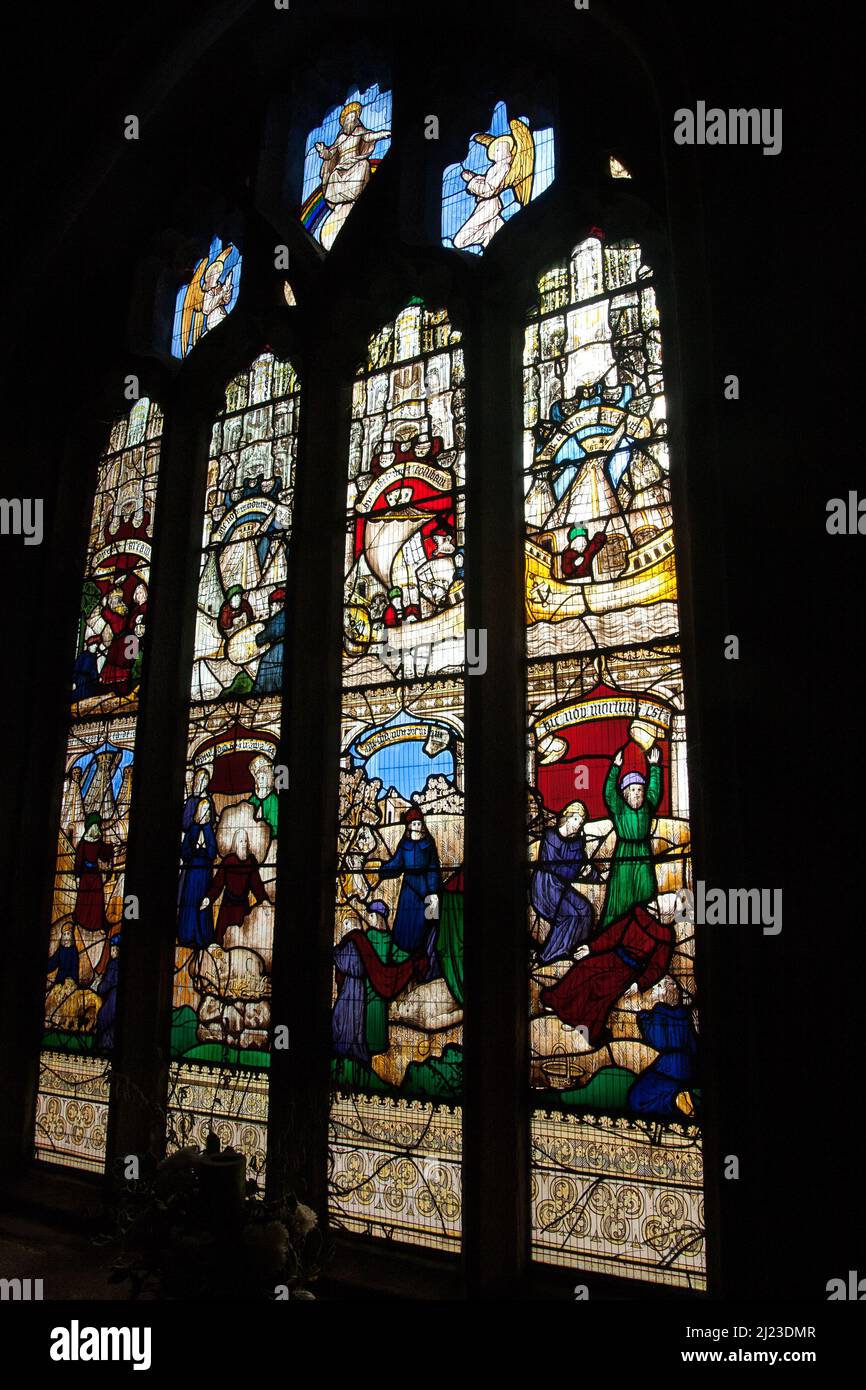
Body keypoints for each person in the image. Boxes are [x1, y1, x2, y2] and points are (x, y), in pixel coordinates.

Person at [540, 903, 674, 1046]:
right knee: (585, 967)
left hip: (628, 970)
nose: (653, 905)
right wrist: (591, 948)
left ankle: (580, 1023)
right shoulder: (638, 914)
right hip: (612, 956)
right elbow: (612, 934)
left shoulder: (665, 937)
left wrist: (640, 983)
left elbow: (657, 966)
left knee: (602, 985)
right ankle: (557, 1002)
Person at [599, 743, 663, 928]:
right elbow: (609, 793)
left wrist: (654, 766)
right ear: (626, 793)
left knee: (646, 891)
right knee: (622, 896)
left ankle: (644, 932)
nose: (637, 793)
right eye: (633, 789)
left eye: (640, 790)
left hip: (643, 853)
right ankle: (615, 932)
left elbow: (655, 790)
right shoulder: (619, 808)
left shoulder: (648, 806)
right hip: (624, 854)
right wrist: (615, 768)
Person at [315, 102, 390, 250]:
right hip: (340, 168)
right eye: (348, 119)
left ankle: (355, 198)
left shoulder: (360, 132)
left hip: (355, 163)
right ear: (344, 122)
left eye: (354, 118)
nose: (351, 122)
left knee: (364, 165)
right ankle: (340, 203)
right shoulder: (341, 138)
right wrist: (322, 151)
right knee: (334, 174)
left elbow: (370, 136)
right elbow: (330, 154)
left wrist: (383, 133)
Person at [376, 808, 441, 976]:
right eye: (414, 823)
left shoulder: (429, 843)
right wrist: (382, 870)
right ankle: (400, 961)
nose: (417, 826)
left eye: (419, 823)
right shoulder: (404, 845)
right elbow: (396, 864)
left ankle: (424, 961)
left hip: (425, 889)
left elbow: (434, 868)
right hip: (409, 890)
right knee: (404, 924)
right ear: (409, 826)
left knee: (426, 924)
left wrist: (433, 892)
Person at [532, 801, 599, 963]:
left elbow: (580, 868)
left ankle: (575, 951)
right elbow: (555, 868)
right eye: (576, 820)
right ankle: (548, 956)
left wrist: (592, 873)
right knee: (570, 914)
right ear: (567, 817)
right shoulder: (550, 836)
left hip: (561, 886)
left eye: (581, 822)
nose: (579, 825)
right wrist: (579, 869)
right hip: (545, 886)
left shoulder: (577, 843)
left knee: (585, 910)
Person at [207, 828, 269, 947]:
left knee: (241, 939)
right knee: (221, 938)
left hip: (242, 907)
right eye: (241, 841)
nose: (244, 844)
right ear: (235, 843)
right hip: (227, 906)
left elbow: (257, 885)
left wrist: (264, 900)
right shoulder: (228, 861)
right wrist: (209, 898)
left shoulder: (251, 862)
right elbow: (217, 884)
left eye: (245, 841)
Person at [177, 798, 217, 948]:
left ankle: (202, 937)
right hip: (192, 872)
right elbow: (185, 853)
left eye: (208, 811)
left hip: (205, 873)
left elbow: (213, 853)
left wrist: (206, 830)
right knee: (189, 901)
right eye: (203, 810)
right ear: (198, 812)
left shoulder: (209, 831)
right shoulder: (192, 830)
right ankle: (187, 935)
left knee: (202, 902)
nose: (206, 814)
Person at [73, 813, 114, 933]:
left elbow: (104, 856)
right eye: (94, 825)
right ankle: (81, 920)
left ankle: (97, 923)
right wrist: (77, 876)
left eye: (97, 825)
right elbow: (79, 860)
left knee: (97, 899)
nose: (96, 828)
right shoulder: (83, 843)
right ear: (89, 827)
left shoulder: (99, 842)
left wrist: (110, 849)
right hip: (85, 874)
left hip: (95, 874)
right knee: (84, 899)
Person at [252, 588, 285, 695]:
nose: (271, 609)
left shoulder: (281, 617)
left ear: (280, 604)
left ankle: (260, 694)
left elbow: (266, 635)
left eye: (272, 605)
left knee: (266, 663)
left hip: (280, 650)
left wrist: (258, 637)